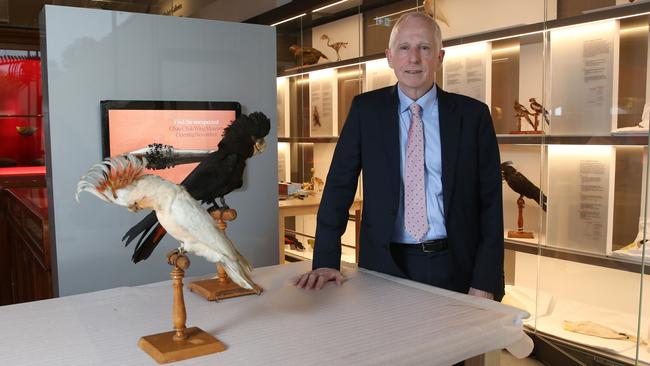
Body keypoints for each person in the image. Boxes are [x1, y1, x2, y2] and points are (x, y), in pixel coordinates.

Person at [293, 12, 504, 302]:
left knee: (458, 349)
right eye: (404, 48)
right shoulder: (365, 111)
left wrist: (486, 278)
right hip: (383, 266)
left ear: (440, 57)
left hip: (455, 266)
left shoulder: (473, 116)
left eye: (424, 47)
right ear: (389, 57)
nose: (414, 58)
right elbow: (339, 188)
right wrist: (326, 260)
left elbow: (491, 203)